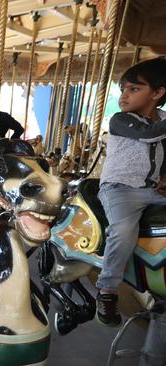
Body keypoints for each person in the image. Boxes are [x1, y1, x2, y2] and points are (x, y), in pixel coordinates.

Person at [97, 57, 166, 326]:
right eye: (123, 89)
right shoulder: (121, 119)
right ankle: (107, 289)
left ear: (158, 93)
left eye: (134, 89)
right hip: (119, 189)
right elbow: (150, 135)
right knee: (124, 230)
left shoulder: (162, 120)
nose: (124, 95)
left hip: (151, 189)